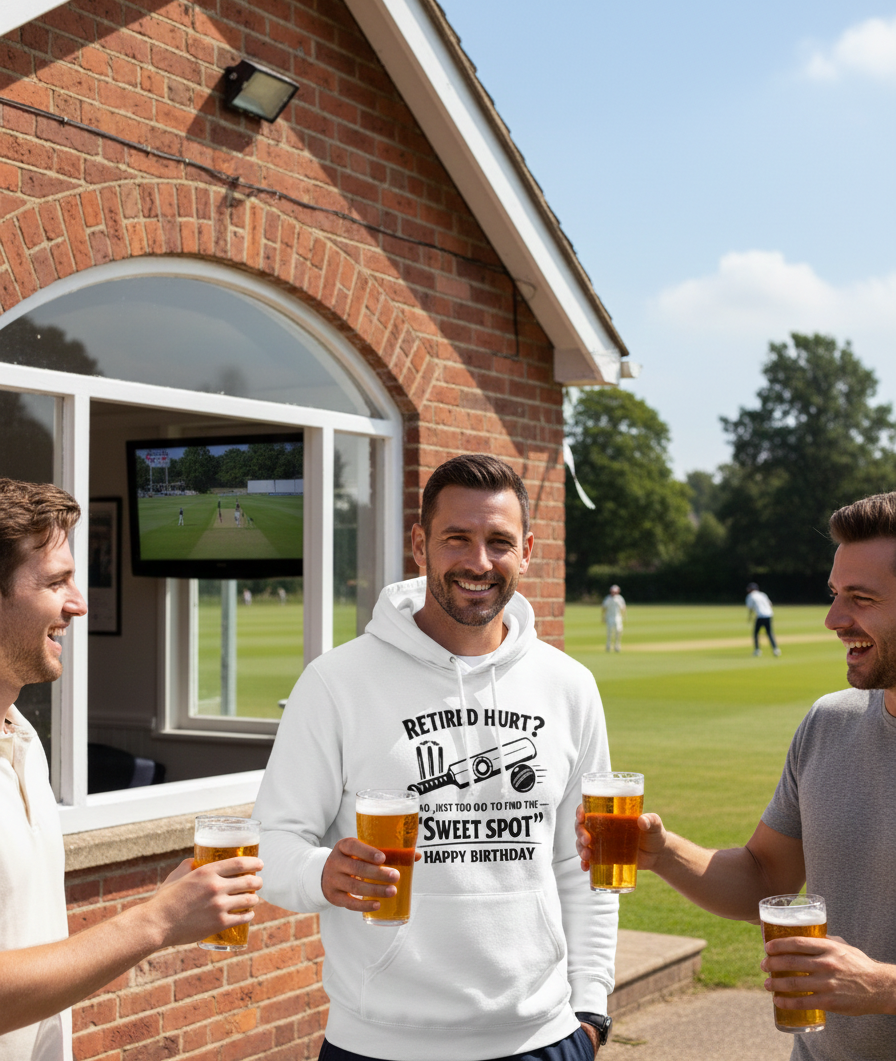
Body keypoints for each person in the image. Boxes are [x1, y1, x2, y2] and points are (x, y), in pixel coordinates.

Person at [256, 454, 618, 1061]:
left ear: (527, 550)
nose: (479, 562)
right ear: (420, 545)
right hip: (379, 1045)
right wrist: (322, 873)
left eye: (499, 541)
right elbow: (270, 842)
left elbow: (583, 861)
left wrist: (590, 1009)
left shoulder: (569, 685)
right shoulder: (336, 682)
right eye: (458, 539)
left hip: (543, 1038)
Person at [577, 490, 896, 1060]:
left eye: (861, 598)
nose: (832, 619)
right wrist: (662, 852)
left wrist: (882, 988)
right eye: (834, 595)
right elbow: (763, 877)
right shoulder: (829, 723)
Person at [0, 478, 264, 1060]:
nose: (79, 603)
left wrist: (166, 908)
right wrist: (155, 922)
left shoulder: (22, 736)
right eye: (55, 582)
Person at [745, 581, 780, 656]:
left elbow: (750, 608)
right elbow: (770, 604)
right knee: (769, 633)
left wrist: (750, 617)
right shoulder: (763, 594)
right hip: (769, 614)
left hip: (760, 616)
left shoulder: (751, 596)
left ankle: (757, 650)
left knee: (756, 633)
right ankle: (776, 649)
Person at [601, 584, 626, 652]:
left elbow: (623, 608)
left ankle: (617, 646)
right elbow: (603, 608)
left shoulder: (620, 598)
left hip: (618, 617)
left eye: (615, 592)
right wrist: (603, 617)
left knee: (618, 631)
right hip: (609, 617)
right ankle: (608, 645)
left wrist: (623, 616)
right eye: (612, 592)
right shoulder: (608, 598)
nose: (613, 593)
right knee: (609, 632)